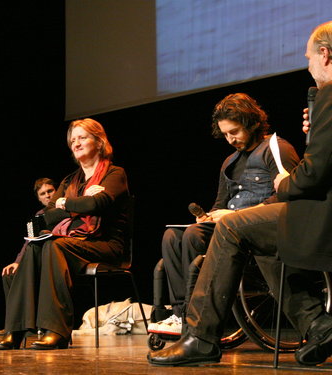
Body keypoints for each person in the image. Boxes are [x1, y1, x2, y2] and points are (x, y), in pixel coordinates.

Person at [148, 20, 332, 367]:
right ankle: (319, 324)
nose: (307, 65)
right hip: (315, 208)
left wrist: (284, 184)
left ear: (325, 54)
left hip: (319, 211)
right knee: (245, 235)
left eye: (308, 58)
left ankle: (201, 336)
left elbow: (312, 173)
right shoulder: (230, 162)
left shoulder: (321, 105)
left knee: (236, 227)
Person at [148, 93, 299, 336]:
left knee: (193, 236)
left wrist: (232, 215)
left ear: (251, 123)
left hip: (258, 228)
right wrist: (208, 216)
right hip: (228, 227)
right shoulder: (230, 161)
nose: (230, 139)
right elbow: (220, 204)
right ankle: (180, 313)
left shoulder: (276, 148)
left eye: (235, 132)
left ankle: (195, 315)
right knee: (172, 236)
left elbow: (286, 196)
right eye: (226, 134)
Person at [0, 118, 129, 350]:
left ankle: (56, 330)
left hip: (106, 244)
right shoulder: (70, 180)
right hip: (74, 242)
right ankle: (15, 330)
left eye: (82, 138)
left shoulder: (115, 174)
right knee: (38, 245)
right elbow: (46, 217)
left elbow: (98, 204)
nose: (76, 143)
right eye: (73, 140)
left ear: (99, 142)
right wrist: (82, 201)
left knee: (55, 246)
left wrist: (66, 203)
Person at [1, 177, 56, 302]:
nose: (47, 195)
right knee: (10, 274)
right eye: (43, 193)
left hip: (52, 257)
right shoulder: (39, 215)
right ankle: (17, 319)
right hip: (36, 255)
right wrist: (17, 262)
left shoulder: (64, 208)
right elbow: (29, 241)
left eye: (50, 191)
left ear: (56, 191)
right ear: (39, 198)